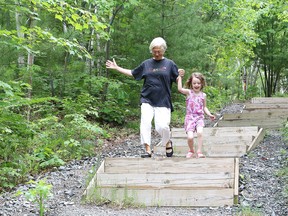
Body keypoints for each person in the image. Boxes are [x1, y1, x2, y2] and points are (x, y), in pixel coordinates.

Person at [106, 37, 183, 158]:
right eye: (154, 51)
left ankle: (167, 142)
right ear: (151, 50)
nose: (156, 53)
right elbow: (133, 73)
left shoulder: (169, 64)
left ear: (164, 50)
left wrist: (180, 75)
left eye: (159, 51)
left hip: (163, 100)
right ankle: (147, 149)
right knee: (145, 123)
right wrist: (117, 68)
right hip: (147, 99)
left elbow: (177, 77)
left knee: (162, 126)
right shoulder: (146, 64)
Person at [177, 70, 215, 158]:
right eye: (194, 83)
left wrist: (209, 114)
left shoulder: (203, 95)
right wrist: (180, 77)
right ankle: (191, 150)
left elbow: (204, 107)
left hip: (199, 118)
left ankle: (199, 151)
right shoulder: (189, 92)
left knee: (200, 132)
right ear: (191, 84)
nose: (196, 85)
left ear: (202, 84)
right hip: (190, 118)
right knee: (190, 137)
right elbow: (180, 89)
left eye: (198, 83)